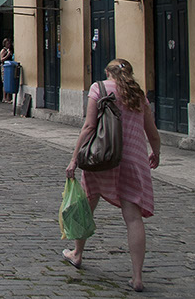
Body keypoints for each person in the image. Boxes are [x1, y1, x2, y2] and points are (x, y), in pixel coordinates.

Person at [64, 59, 160, 293]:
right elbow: (152, 132)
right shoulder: (138, 95)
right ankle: (137, 277)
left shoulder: (99, 88)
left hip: (103, 157)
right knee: (133, 218)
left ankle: (77, 254)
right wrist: (155, 152)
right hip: (133, 161)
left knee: (86, 205)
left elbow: (89, 126)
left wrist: (74, 158)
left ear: (107, 72)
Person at [0, 38, 14, 103]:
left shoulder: (9, 50)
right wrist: (7, 55)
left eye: (9, 43)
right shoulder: (3, 50)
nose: (9, 45)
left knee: (9, 82)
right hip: (4, 67)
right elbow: (1, 59)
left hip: (9, 66)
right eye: (7, 43)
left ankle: (8, 97)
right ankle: (4, 97)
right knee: (5, 82)